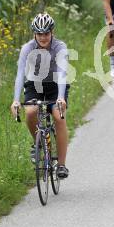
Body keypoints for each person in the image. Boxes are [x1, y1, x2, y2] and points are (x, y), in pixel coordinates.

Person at [10, 13, 70, 179]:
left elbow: (62, 73)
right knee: (30, 112)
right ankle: (38, 142)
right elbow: (20, 75)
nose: (43, 38)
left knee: (59, 117)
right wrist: (16, 100)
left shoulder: (60, 47)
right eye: (39, 34)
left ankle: (62, 165)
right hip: (35, 85)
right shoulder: (27, 48)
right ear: (34, 34)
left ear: (52, 32)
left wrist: (60, 98)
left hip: (56, 85)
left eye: (46, 34)